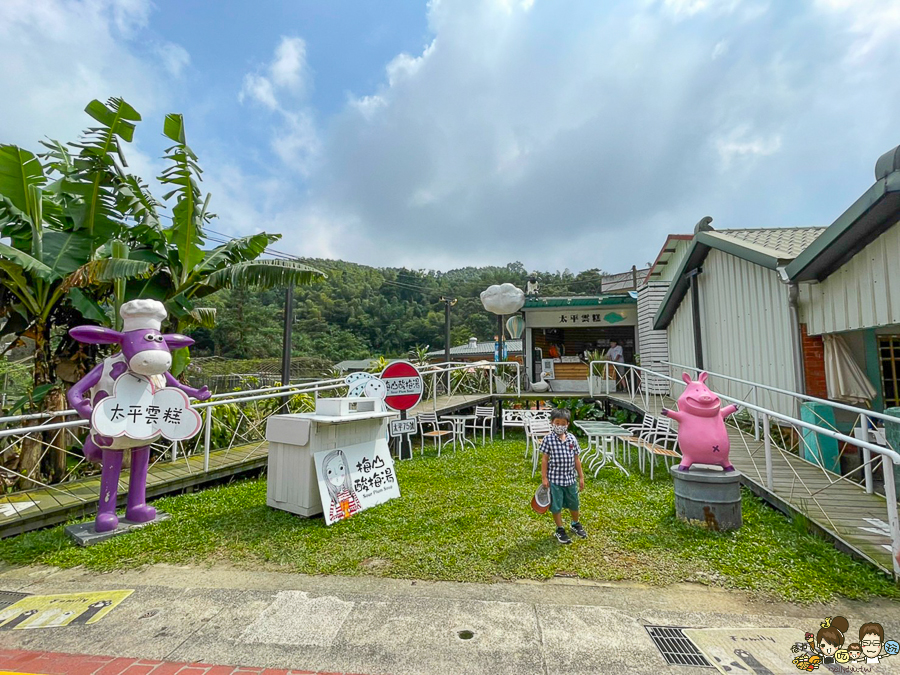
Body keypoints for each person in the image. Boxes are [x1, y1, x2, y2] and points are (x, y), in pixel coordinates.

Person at [539, 408, 586, 544]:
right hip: (555, 480)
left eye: (562, 423)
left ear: (567, 424)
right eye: (557, 423)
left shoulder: (572, 439)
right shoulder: (548, 439)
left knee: (574, 502)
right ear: (552, 423)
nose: (559, 426)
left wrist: (581, 477)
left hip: (570, 479)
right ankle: (560, 529)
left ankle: (575, 523)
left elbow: (576, 459)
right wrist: (544, 478)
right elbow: (544, 459)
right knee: (556, 504)